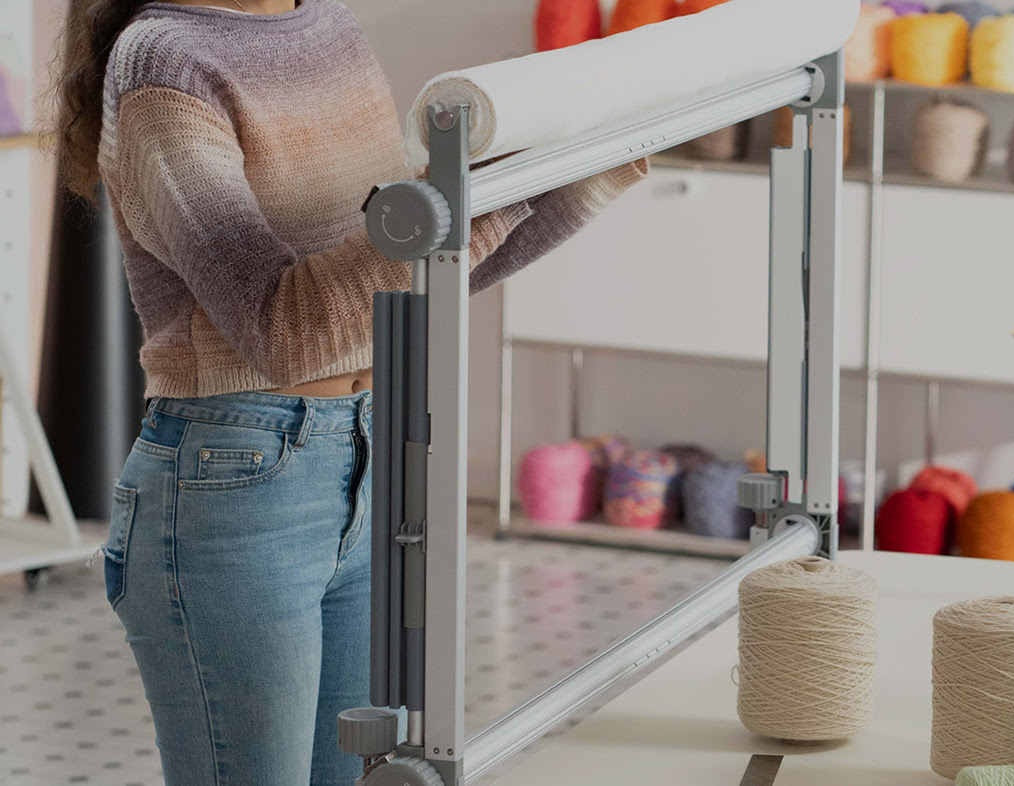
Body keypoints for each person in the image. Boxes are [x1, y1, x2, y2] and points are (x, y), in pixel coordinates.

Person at [53, 0, 646, 782]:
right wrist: (470, 205)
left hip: (372, 458)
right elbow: (286, 329)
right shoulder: (164, 66)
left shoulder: (329, 28)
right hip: (234, 483)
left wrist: (598, 158)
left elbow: (417, 279)